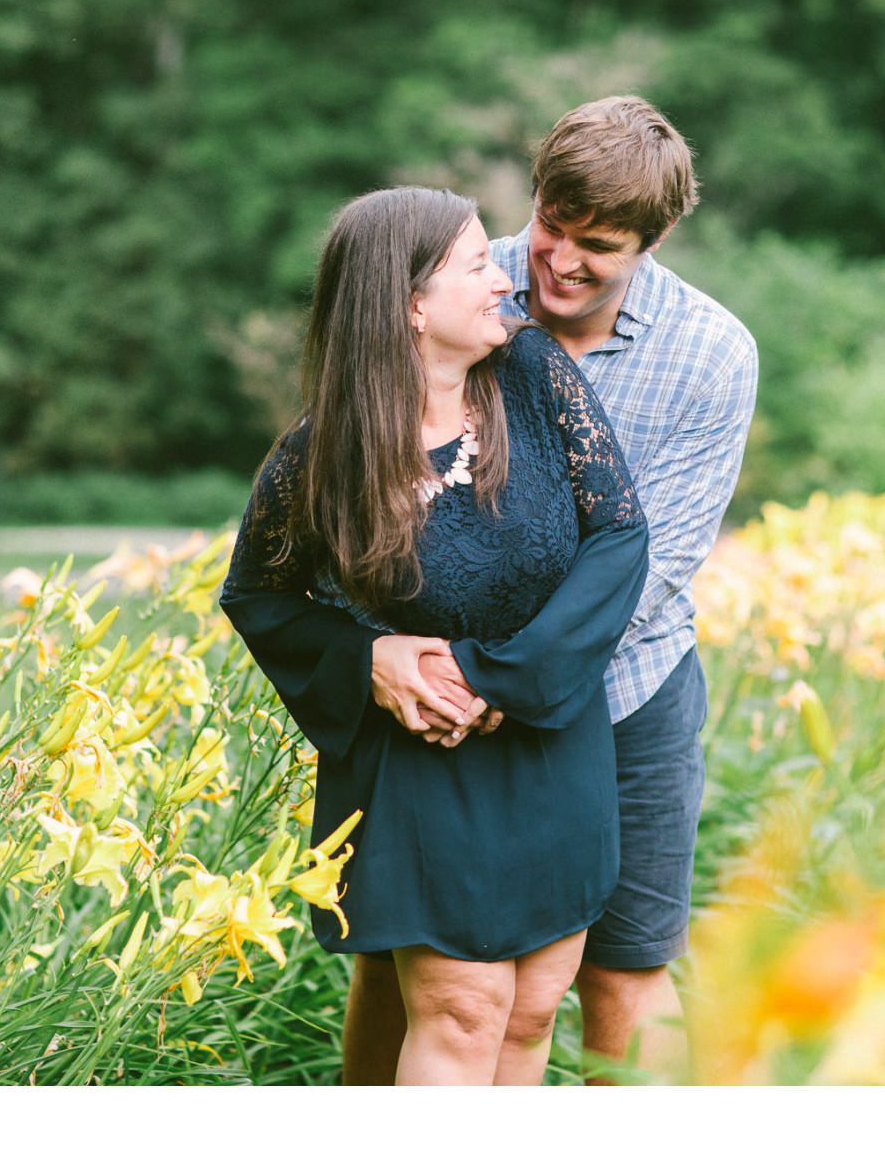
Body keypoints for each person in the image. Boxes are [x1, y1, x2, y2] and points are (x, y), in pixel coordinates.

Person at [344, 96, 759, 1084]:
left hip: (626, 697)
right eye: (550, 228)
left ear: (653, 243)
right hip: (440, 694)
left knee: (624, 971)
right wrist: (401, 660)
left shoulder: (710, 355)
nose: (558, 262)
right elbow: (362, 486)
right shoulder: (454, 284)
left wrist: (504, 678)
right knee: (410, 970)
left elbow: (656, 565)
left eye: (598, 248)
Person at [219, 186, 649, 1086]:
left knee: (530, 1017)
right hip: (419, 760)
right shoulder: (322, 453)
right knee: (462, 1012)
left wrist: (502, 680)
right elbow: (259, 595)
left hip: (549, 736)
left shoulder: (534, 379)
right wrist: (366, 656)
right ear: (413, 304)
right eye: (475, 266)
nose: (505, 281)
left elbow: (618, 535)